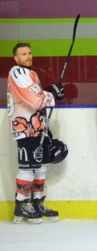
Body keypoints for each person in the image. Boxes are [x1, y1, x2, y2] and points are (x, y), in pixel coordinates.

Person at [8, 42, 64, 223]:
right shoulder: (16, 72)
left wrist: (49, 91)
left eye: (30, 53)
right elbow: (34, 100)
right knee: (27, 169)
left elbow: (37, 95)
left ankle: (36, 203)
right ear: (16, 58)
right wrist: (51, 95)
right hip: (25, 128)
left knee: (41, 167)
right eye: (23, 54)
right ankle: (21, 206)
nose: (28, 56)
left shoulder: (31, 74)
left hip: (38, 127)